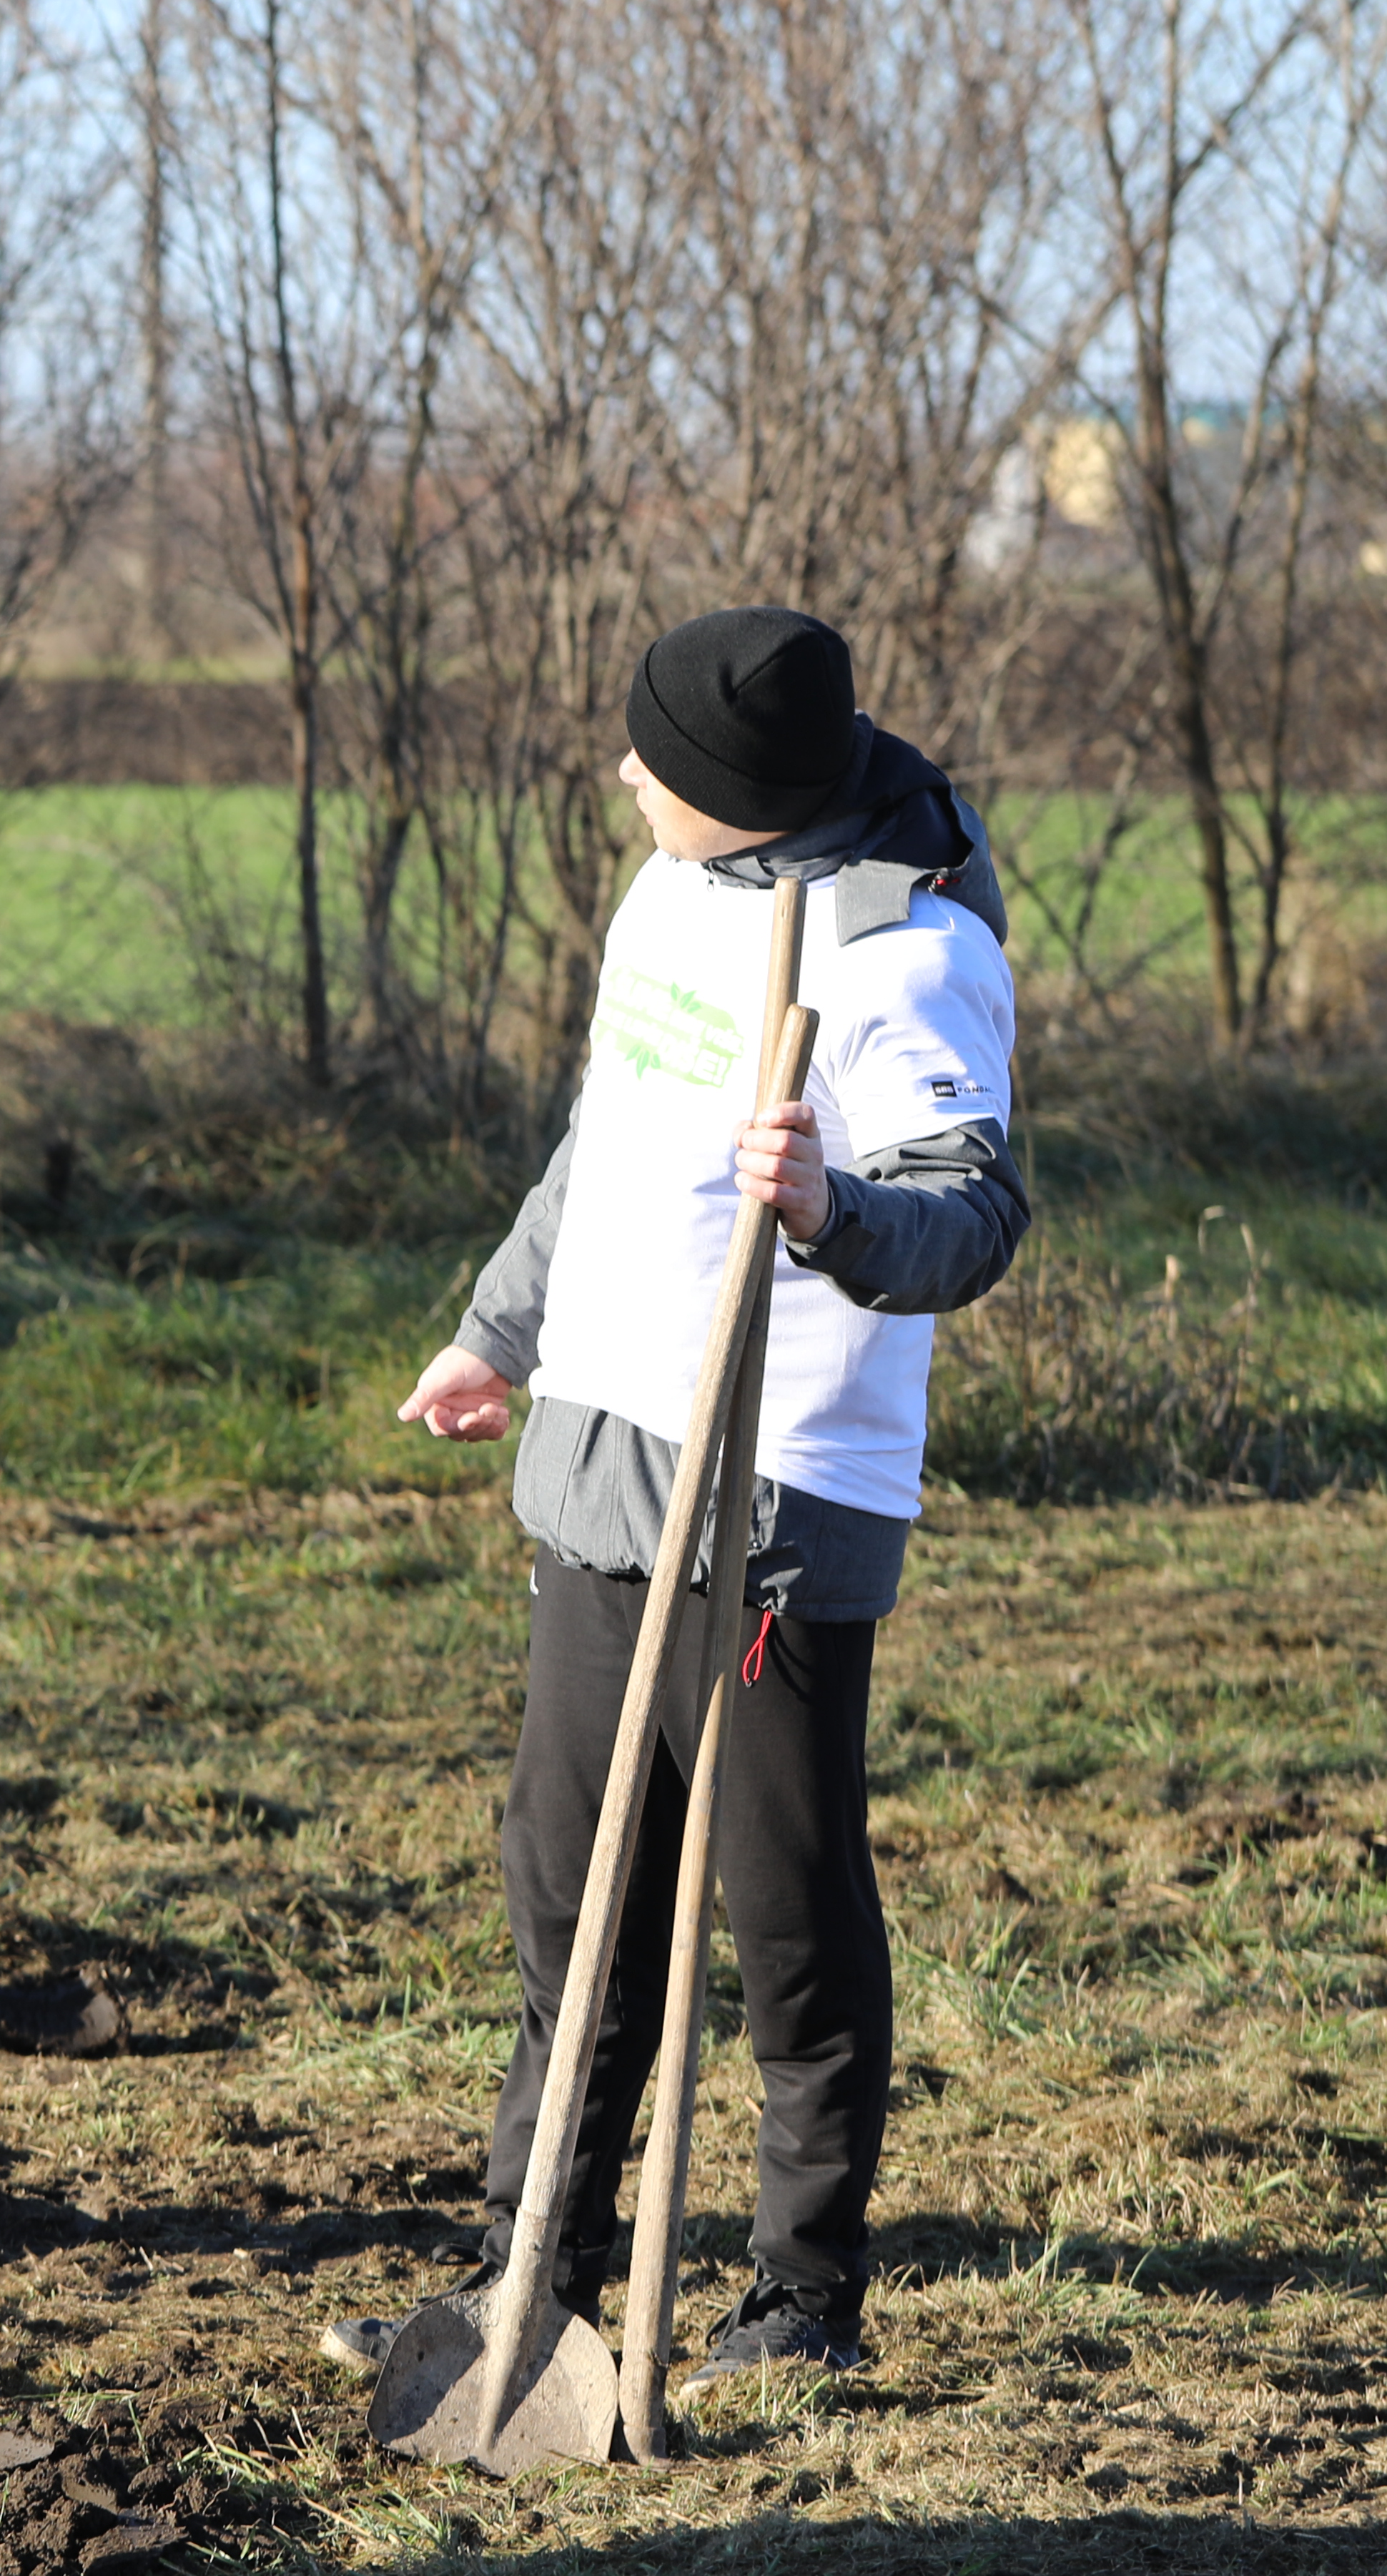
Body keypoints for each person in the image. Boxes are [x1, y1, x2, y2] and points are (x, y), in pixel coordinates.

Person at [325, 606, 1026, 2391]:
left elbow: (974, 1215)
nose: (625, 773)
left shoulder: (906, 952)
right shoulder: (666, 890)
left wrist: (830, 1212)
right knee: (573, 1889)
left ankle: (802, 2289)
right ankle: (529, 2275)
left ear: (741, 793)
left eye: (658, 760)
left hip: (780, 1483)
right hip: (608, 1444)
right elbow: (604, 1136)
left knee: (783, 1906)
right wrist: (501, 1327)